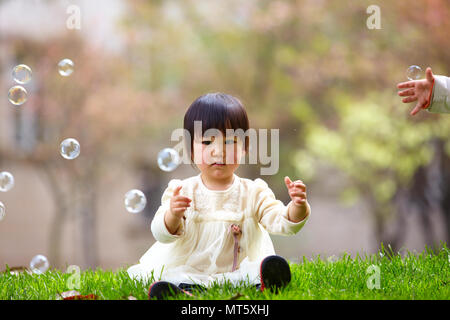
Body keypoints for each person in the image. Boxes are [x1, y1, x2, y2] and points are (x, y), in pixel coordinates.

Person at [127, 93, 311, 299]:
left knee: (252, 276)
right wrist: (173, 215)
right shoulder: (182, 191)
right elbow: (160, 233)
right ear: (191, 150)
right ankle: (182, 293)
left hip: (238, 271)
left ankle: (266, 283)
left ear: (245, 147)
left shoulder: (253, 192)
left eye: (230, 141)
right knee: (183, 278)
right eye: (207, 142)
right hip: (193, 270)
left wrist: (297, 206)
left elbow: (282, 222)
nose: (219, 151)